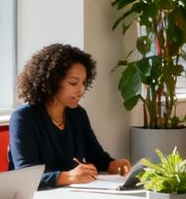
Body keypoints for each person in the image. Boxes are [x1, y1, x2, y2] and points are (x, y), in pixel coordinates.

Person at [9, 43, 131, 189]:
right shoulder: (24, 117)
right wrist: (68, 177)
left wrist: (112, 164)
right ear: (52, 81)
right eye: (73, 83)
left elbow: (96, 156)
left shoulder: (78, 114)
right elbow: (25, 175)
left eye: (84, 83)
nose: (81, 90)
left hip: (69, 195)